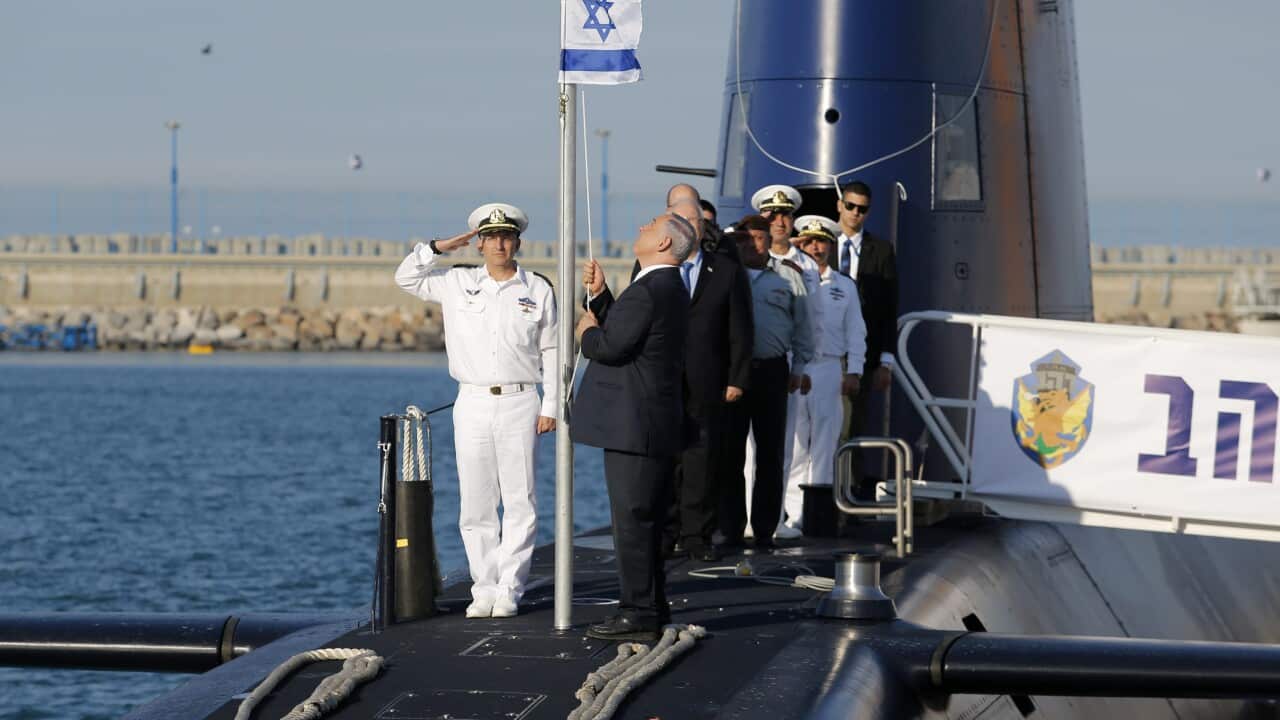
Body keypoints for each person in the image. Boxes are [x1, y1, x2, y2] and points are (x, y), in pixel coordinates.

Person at [393, 203, 557, 619]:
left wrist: (553, 403)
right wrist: (438, 247)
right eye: (491, 237)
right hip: (472, 400)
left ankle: (510, 587)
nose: (499, 244)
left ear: (517, 242)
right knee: (476, 503)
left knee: (520, 500)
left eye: (507, 237)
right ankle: (483, 586)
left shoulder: (537, 288)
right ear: (479, 243)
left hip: (521, 399)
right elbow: (406, 277)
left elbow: (554, 350)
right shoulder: (456, 281)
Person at [591, 186, 754, 562]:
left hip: (705, 378)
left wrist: (737, 378)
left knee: (701, 457)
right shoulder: (649, 268)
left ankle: (697, 535)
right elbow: (632, 318)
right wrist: (600, 299)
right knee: (663, 458)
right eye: (680, 218)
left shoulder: (725, 270)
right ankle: (665, 533)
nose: (689, 225)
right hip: (661, 380)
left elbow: (740, 329)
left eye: (694, 219)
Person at [573, 213, 695, 642]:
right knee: (647, 519)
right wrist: (603, 297)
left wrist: (586, 331)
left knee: (633, 521)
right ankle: (651, 603)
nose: (642, 224)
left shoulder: (650, 289)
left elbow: (611, 346)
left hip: (634, 426)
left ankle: (637, 610)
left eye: (653, 224)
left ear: (664, 244)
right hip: (651, 423)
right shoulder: (667, 287)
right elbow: (635, 335)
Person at [719, 230, 814, 551]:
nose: (753, 245)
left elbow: (803, 326)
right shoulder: (728, 277)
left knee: (770, 454)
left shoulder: (788, 277)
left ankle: (764, 529)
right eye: (746, 240)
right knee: (730, 454)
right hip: (734, 373)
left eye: (759, 238)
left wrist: (799, 369)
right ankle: (731, 529)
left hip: (773, 370)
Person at [782, 215, 866, 530]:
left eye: (822, 241)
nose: (817, 248)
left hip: (830, 367)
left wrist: (855, 369)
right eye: (811, 241)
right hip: (799, 367)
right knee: (795, 443)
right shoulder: (793, 277)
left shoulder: (844, 286)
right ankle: (793, 512)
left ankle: (817, 513)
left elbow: (856, 330)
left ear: (831, 245)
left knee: (825, 443)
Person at [834, 181, 899, 498]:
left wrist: (886, 361)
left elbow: (890, 309)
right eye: (850, 206)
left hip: (861, 354)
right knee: (813, 429)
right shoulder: (820, 244)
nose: (855, 214)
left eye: (862, 209)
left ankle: (846, 496)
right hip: (823, 352)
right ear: (839, 206)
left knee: (850, 428)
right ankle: (811, 494)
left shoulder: (882, 251)